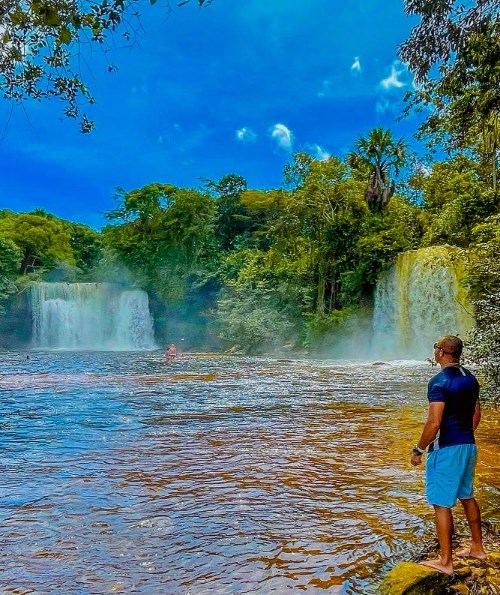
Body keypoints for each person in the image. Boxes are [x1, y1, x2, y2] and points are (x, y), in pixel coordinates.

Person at [410, 335, 486, 575]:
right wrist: (463, 436)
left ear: (441, 352)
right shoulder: (470, 378)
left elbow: (434, 422)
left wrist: (419, 450)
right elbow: (476, 415)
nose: (435, 352)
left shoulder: (439, 382)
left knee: (441, 505)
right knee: (467, 496)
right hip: (467, 445)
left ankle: (446, 562)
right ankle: (477, 548)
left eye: (435, 348)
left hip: (446, 450)